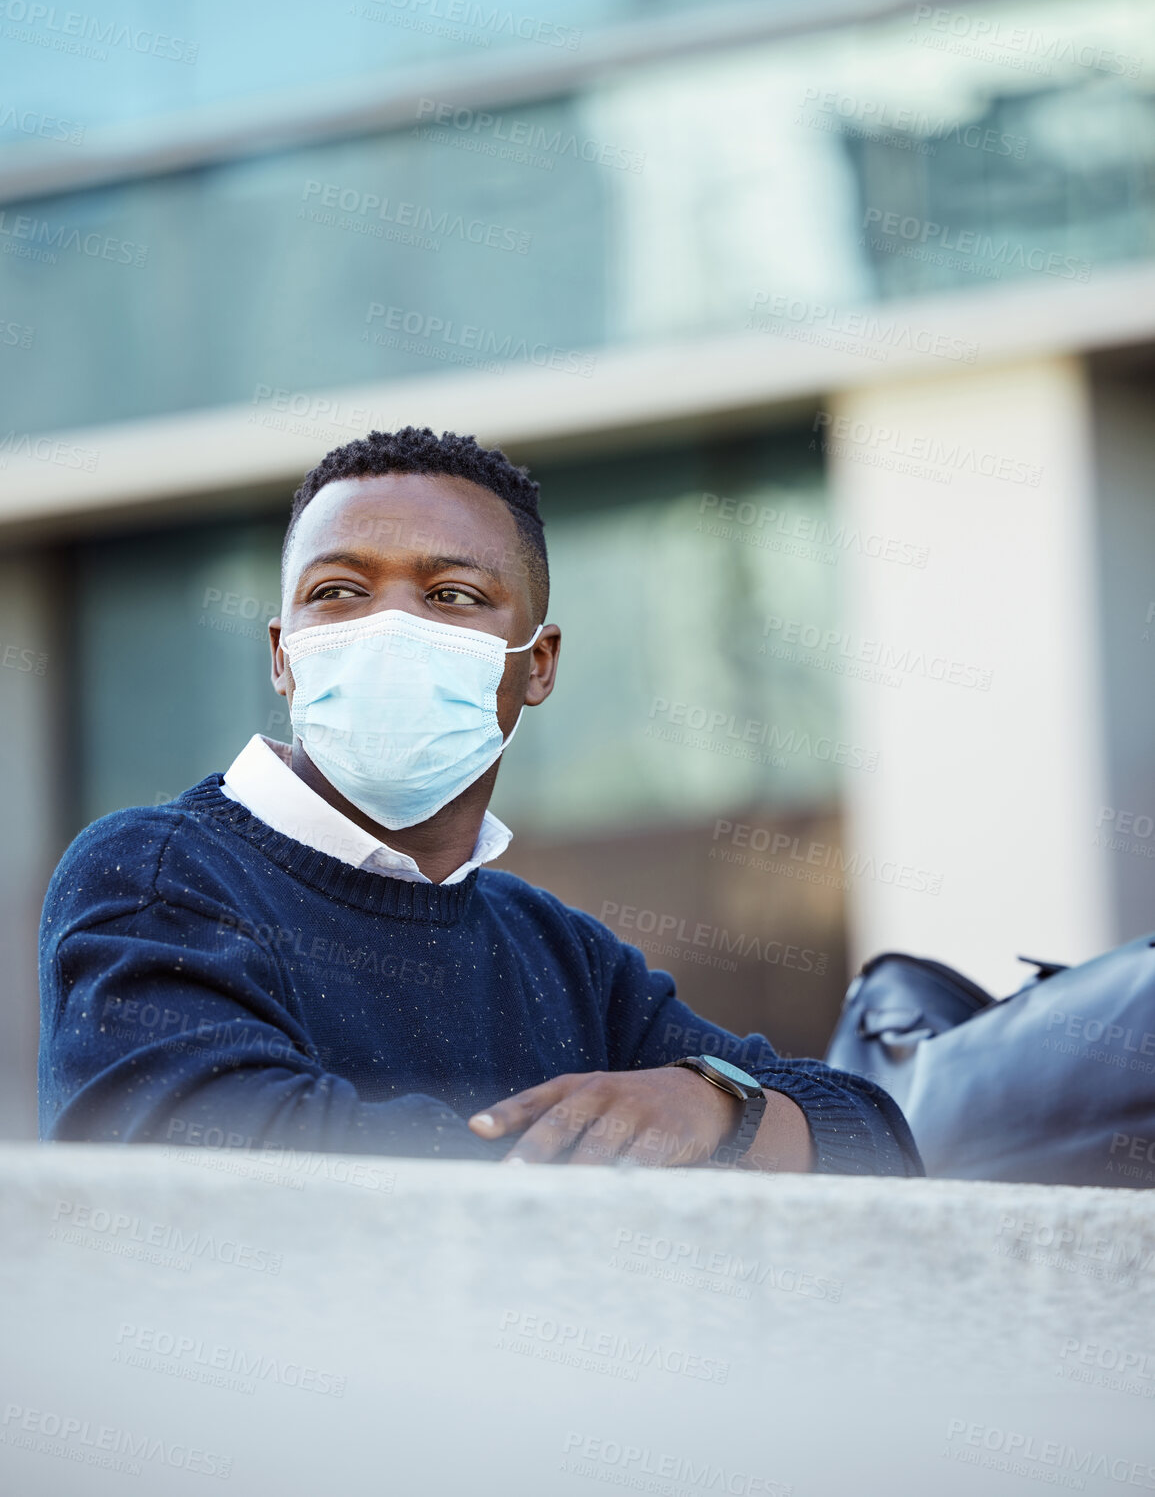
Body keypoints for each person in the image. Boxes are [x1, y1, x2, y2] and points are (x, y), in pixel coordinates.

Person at [39, 427, 921, 1176]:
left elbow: (871, 1135)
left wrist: (708, 1105)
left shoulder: (556, 951)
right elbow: (208, 1152)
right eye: (337, 591)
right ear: (283, 652)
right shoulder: (159, 872)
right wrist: (597, 1142)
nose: (387, 627)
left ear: (535, 664)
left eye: (451, 595)